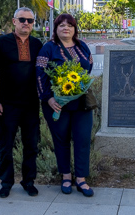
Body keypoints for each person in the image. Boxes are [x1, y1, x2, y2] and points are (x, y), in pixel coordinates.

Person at [36, 13, 94, 197]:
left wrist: (80, 85)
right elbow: (40, 74)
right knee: (61, 140)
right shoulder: (48, 49)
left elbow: (89, 66)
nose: (66, 28)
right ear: (56, 29)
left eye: (69, 25)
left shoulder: (82, 46)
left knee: (83, 139)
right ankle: (66, 177)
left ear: (75, 29)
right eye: (61, 25)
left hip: (81, 104)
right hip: (57, 105)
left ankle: (81, 179)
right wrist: (49, 98)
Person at [0, 7, 43, 198]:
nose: (26, 23)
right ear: (14, 21)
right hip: (7, 105)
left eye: (30, 21)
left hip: (31, 105)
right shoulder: (1, 43)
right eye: (22, 19)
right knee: (6, 145)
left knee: (31, 145)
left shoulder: (38, 44)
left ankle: (28, 181)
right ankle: (6, 182)